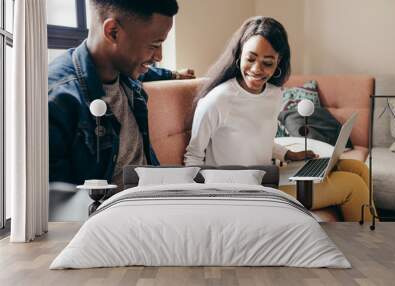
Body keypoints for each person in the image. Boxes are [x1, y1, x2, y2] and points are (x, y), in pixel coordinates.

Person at [184, 16, 372, 221]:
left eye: (267, 62)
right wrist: (205, 202)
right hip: (242, 191)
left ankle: (373, 245)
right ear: (239, 55)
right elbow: (193, 156)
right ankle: (373, 250)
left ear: (278, 62)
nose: (256, 69)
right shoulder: (217, 100)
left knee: (358, 168)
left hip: (267, 177)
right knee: (352, 187)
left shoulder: (274, 94)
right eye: (250, 58)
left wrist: (289, 154)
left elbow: (258, 138)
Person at [48, 0, 181, 189]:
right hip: (110, 215)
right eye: (154, 45)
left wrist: (173, 74)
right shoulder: (57, 100)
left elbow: (150, 71)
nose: (159, 56)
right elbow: (58, 206)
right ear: (113, 32)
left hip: (150, 198)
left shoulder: (127, 75)